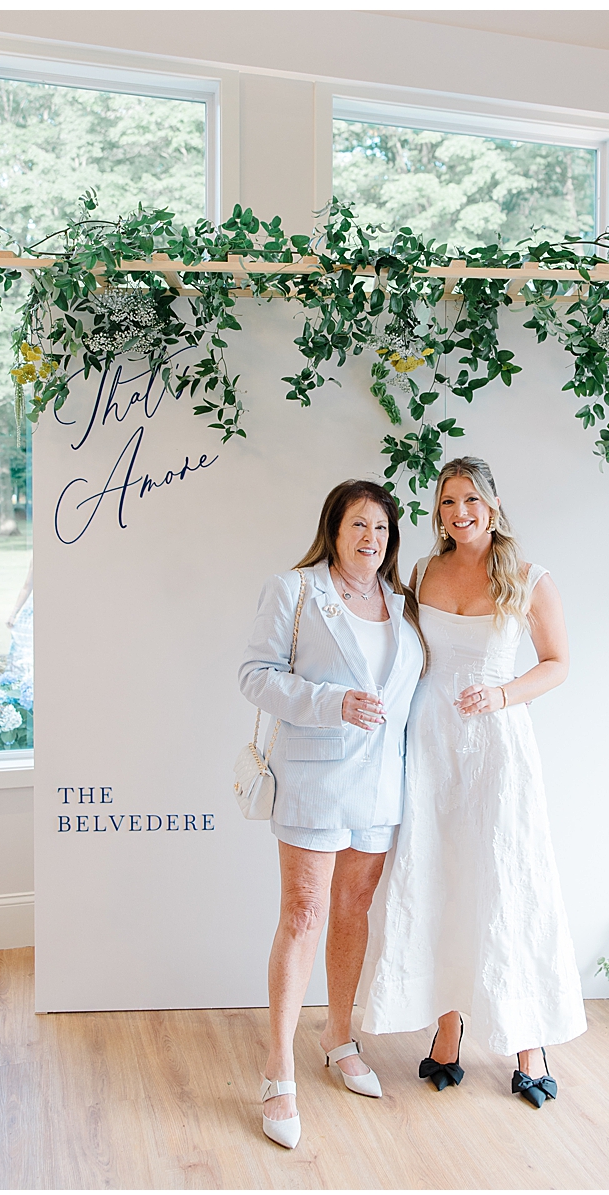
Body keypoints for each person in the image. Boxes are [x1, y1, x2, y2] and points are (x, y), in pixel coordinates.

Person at [362, 456, 586, 1109]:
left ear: (492, 502)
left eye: (470, 500)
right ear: (438, 511)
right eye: (448, 502)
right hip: (430, 746)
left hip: (495, 747)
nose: (459, 513)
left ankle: (527, 1042)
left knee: (506, 879)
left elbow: (559, 663)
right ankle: (448, 1030)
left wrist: (504, 694)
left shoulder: (528, 577)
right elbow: (405, 654)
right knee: (438, 875)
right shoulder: (425, 571)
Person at [238, 480, 424, 1149]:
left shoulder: (401, 604)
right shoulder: (294, 591)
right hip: (314, 778)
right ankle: (278, 1068)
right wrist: (331, 702)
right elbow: (254, 676)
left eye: (381, 528)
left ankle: (338, 1037)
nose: (370, 539)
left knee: (353, 913)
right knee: (303, 915)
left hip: (380, 787)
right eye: (358, 526)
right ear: (334, 529)